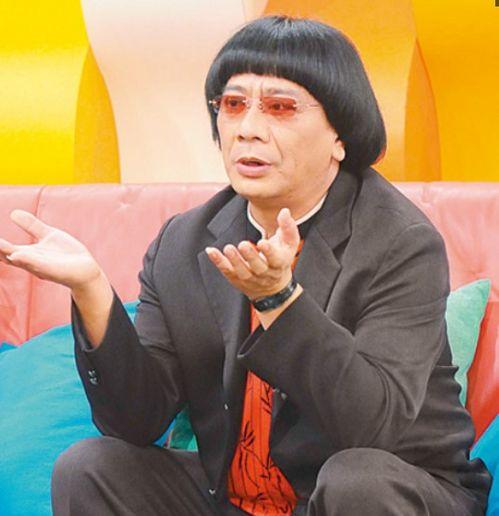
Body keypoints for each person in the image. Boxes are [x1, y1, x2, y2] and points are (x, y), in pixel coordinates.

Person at [0, 15, 491, 516]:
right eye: (233, 105)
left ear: (340, 136)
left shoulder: (400, 242)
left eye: (280, 107)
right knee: (90, 468)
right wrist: (91, 291)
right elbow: (137, 421)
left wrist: (279, 301)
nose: (249, 130)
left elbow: (373, 427)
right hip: (239, 496)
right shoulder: (184, 242)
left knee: (356, 481)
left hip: (392, 491)